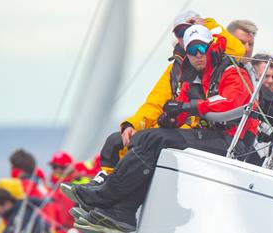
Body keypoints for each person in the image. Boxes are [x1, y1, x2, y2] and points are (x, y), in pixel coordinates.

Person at [64, 25, 258, 233]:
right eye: (192, 51)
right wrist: (169, 118)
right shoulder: (191, 76)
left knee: (155, 139)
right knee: (144, 139)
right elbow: (176, 109)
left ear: (211, 46)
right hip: (212, 135)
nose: (198, 55)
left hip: (233, 141)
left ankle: (106, 195)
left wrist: (190, 107)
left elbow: (229, 102)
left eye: (202, 48)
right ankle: (123, 211)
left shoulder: (231, 71)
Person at [95, 11, 247, 182]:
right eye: (180, 33)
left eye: (191, 31)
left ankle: (115, 191)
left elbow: (239, 50)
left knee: (151, 140)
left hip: (205, 132)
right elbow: (155, 104)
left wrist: (207, 24)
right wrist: (133, 124)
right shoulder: (174, 70)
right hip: (180, 128)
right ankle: (105, 185)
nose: (185, 37)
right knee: (118, 140)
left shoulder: (218, 62)